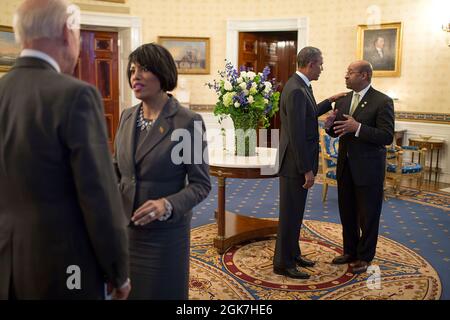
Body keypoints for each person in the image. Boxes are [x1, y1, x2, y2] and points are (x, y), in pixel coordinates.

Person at [0, 0, 130, 299]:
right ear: (65, 31)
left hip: (7, 262)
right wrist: (117, 271)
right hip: (62, 266)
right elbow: (99, 194)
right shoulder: (75, 96)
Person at [113, 43, 211, 300]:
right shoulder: (126, 116)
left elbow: (201, 184)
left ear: (162, 72)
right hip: (126, 232)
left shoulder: (188, 122)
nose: (135, 75)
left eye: (144, 69)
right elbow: (118, 169)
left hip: (164, 236)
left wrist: (166, 205)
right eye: (132, 69)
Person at [273, 46, 345, 279]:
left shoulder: (301, 86)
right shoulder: (295, 89)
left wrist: (329, 101)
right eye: (321, 64)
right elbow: (296, 135)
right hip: (295, 165)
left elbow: (308, 113)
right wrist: (307, 170)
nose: (322, 69)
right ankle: (283, 263)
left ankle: (293, 254)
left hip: (297, 163)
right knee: (289, 215)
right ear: (311, 63)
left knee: (296, 213)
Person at [325, 60, 394, 274]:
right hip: (346, 166)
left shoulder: (382, 101)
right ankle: (350, 251)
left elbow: (386, 136)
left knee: (368, 214)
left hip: (369, 168)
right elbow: (338, 131)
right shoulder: (343, 101)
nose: (346, 76)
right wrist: (329, 128)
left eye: (350, 72)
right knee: (347, 212)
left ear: (364, 75)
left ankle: (365, 257)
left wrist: (359, 128)